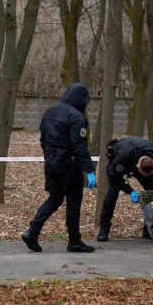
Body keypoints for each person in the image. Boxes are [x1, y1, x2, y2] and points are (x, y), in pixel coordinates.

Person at [22, 83, 96, 253]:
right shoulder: (77, 117)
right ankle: (74, 241)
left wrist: (49, 157)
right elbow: (79, 147)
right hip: (69, 165)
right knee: (73, 202)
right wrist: (89, 170)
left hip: (51, 163)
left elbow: (43, 140)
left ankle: (32, 232)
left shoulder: (49, 112)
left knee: (54, 199)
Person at [97, 137, 153, 242]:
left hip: (140, 159)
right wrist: (130, 191)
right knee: (112, 194)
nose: (144, 177)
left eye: (147, 175)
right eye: (143, 174)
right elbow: (113, 176)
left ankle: (149, 229)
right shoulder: (123, 156)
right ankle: (103, 231)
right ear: (137, 167)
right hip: (119, 162)